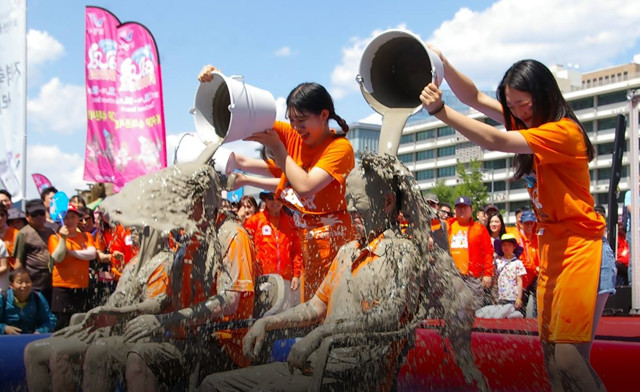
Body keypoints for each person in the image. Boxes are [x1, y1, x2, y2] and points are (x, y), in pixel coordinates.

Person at [420, 54, 616, 391]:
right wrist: (443, 64)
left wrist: (441, 112)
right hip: (555, 249)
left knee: (569, 359)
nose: (517, 113)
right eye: (511, 106)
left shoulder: (562, 132)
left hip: (583, 248)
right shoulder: (531, 125)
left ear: (545, 95)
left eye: (523, 104)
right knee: (552, 361)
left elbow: (495, 140)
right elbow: (474, 98)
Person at [200, 153, 427, 392]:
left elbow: (389, 315)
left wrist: (321, 334)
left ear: (387, 202)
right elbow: (314, 306)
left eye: (357, 199)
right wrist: (267, 322)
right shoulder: (347, 251)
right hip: (316, 365)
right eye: (347, 199)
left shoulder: (403, 252)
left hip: (351, 376)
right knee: (214, 384)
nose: (349, 208)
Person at [200, 65, 356, 301]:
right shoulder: (294, 135)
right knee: (309, 314)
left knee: (336, 309)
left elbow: (304, 186)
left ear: (324, 115)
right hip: (308, 243)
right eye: (291, 120)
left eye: (302, 121)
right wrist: (221, 85)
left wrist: (278, 149)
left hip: (336, 242)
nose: (295, 128)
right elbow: (245, 117)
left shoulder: (340, 148)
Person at [123, 207, 255, 391]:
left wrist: (163, 321)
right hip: (189, 337)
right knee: (105, 351)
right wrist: (121, 313)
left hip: (223, 343)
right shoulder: (191, 237)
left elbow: (229, 301)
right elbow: (170, 298)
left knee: (139, 357)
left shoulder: (233, 235)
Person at [244, 191, 302, 312]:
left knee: (283, 321)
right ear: (264, 199)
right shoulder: (254, 222)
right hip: (263, 280)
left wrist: (296, 275)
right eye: (271, 198)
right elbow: (246, 252)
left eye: (278, 198)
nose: (275, 202)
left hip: (286, 281)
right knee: (262, 319)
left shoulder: (291, 222)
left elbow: (296, 251)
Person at [48, 204, 97, 329]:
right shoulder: (54, 238)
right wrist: (63, 239)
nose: (69, 221)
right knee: (62, 325)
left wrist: (71, 253)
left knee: (80, 325)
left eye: (72, 217)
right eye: (66, 218)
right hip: (62, 287)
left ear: (78, 219)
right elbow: (58, 257)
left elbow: (91, 254)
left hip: (82, 286)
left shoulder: (86, 236)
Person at [447, 196, 494, 310]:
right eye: (459, 207)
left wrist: (488, 274)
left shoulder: (480, 229)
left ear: (471, 210)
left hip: (472, 278)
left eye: (465, 207)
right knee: (452, 310)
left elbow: (488, 252)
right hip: (451, 277)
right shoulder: (447, 225)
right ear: (454, 210)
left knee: (474, 309)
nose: (462, 210)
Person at [13, 199, 56, 305]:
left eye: (41, 213)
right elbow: (18, 263)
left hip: (52, 281)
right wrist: (24, 283)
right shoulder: (24, 233)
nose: (39, 217)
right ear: (27, 216)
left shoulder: (51, 232)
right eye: (35, 214)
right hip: (34, 282)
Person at [476, 234, 526, 319]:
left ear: (514, 247)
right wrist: (493, 294)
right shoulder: (498, 261)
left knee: (512, 316)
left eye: (509, 245)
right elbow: (495, 278)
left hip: (513, 296)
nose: (506, 247)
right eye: (504, 245)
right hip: (500, 295)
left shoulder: (518, 263)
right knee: (500, 316)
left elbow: (519, 281)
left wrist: (519, 298)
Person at [0, 268, 56, 334]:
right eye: (20, 282)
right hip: (6, 339)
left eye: (27, 282)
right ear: (11, 285)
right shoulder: (3, 298)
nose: (24, 286)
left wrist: (39, 331)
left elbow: (50, 320)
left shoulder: (38, 297)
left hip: (31, 338)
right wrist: (4, 328)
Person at [518, 210, 540, 316]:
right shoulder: (518, 239)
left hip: (535, 276)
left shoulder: (537, 238)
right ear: (521, 224)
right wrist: (535, 268)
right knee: (521, 306)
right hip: (523, 277)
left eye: (531, 223)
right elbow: (521, 260)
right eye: (526, 223)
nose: (529, 225)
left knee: (538, 305)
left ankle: (536, 327)